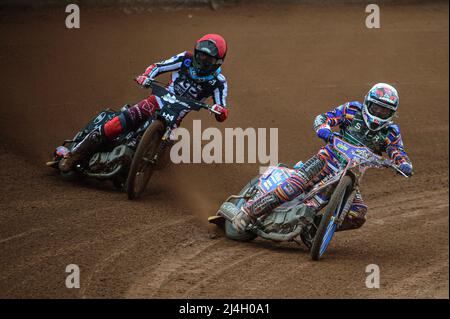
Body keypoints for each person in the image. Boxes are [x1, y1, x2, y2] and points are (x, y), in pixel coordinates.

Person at [231, 83, 413, 233]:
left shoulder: (390, 132)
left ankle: (314, 230)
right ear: (368, 103)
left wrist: (403, 163)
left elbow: (397, 151)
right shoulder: (352, 110)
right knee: (292, 187)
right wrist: (324, 129)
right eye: (377, 108)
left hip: (352, 174)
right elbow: (324, 118)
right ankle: (247, 213)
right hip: (327, 159)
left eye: (384, 111)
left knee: (357, 214)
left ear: (391, 113)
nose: (379, 114)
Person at [59, 34, 229, 172]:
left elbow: (222, 110)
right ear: (195, 52)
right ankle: (73, 155)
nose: (202, 61)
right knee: (119, 123)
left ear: (218, 62)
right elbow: (159, 66)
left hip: (176, 116)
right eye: (201, 56)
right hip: (156, 101)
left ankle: (137, 166)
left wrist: (219, 110)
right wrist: (147, 76)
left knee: (165, 156)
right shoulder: (185, 59)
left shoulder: (219, 82)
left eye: (208, 59)